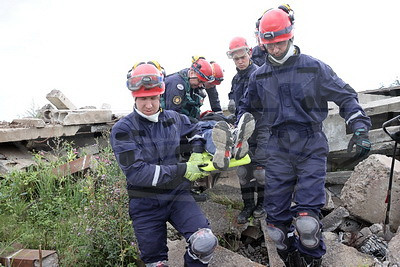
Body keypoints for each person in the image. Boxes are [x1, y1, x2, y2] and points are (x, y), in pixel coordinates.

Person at [239, 6, 372, 266]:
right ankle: (290, 257)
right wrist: (239, 133)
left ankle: (312, 259)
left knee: (307, 223)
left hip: (310, 144)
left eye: (279, 43)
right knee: (275, 227)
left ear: (290, 36)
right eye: (269, 45)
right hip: (277, 148)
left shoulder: (313, 68)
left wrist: (359, 126)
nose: (275, 50)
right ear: (262, 42)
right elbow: (246, 109)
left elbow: (345, 96)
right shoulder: (258, 76)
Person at [111, 62, 219, 267]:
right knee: (156, 264)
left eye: (153, 98)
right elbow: (138, 173)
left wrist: (196, 150)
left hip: (177, 195)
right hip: (145, 203)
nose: (149, 105)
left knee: (205, 242)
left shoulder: (172, 118)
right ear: (134, 96)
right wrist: (185, 169)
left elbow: (198, 128)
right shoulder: (122, 130)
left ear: (161, 94)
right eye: (143, 99)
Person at [226, 36, 265, 224]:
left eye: (243, 57)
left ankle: (262, 204)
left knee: (261, 172)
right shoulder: (235, 79)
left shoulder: (259, 74)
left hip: (261, 129)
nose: (240, 61)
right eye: (236, 58)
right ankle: (248, 205)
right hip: (242, 130)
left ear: (249, 53)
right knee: (242, 172)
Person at [162, 58, 216, 122]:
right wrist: (193, 121)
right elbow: (173, 114)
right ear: (192, 73)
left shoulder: (190, 83)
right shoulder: (177, 85)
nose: (200, 85)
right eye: (200, 81)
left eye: (203, 83)